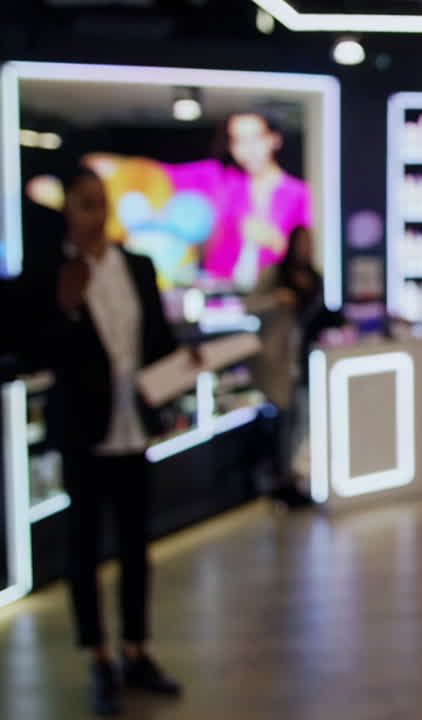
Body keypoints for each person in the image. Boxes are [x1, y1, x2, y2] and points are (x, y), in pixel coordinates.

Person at [18, 169, 187, 716]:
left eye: (99, 204)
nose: (93, 214)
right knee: (83, 550)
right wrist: (66, 307)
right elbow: (35, 351)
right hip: (83, 433)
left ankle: (138, 650)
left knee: (138, 547)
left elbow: (157, 341)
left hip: (133, 428)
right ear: (67, 210)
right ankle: (98, 658)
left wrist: (186, 366)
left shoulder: (137, 266)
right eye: (83, 204)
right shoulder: (50, 275)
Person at [81, 109, 311, 289]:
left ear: (274, 139)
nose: (247, 149)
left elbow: (307, 249)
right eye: (238, 140)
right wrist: (115, 166)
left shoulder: (300, 193)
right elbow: (160, 175)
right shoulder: (217, 178)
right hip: (221, 290)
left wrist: (277, 242)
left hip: (274, 294)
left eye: (255, 138)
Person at [247, 225, 343, 509]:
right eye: (302, 242)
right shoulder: (274, 274)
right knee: (284, 421)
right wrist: (276, 299)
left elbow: (322, 315)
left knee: (301, 422)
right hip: (278, 360)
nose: (306, 247)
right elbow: (249, 305)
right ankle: (282, 481)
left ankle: (295, 477)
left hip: (308, 359)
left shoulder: (315, 277)